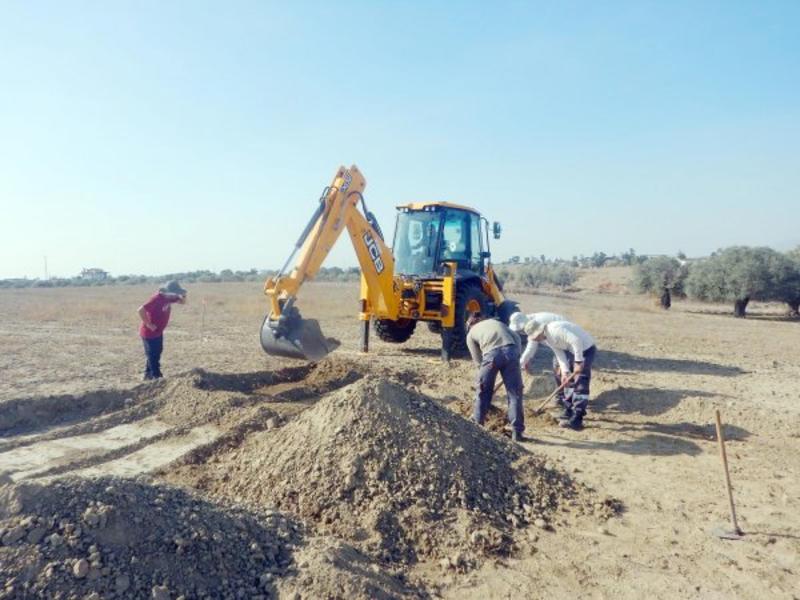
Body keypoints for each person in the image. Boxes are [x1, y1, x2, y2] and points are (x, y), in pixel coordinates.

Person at [524, 318, 597, 431]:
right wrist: (565, 372)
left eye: (536, 337)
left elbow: (576, 341)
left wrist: (578, 362)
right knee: (567, 381)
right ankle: (569, 409)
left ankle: (577, 418)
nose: (536, 340)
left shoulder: (555, 330)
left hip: (586, 349)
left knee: (580, 381)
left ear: (540, 331)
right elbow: (559, 354)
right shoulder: (546, 338)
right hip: (571, 351)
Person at [466, 313, 526, 442]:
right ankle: (517, 432)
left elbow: (477, 360)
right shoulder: (497, 323)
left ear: (470, 324)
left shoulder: (471, 334)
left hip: (491, 355)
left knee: (483, 392)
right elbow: (517, 337)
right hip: (511, 351)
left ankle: (477, 424)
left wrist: (484, 377)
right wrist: (516, 356)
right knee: (514, 394)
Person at [138, 280, 187, 380]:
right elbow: (140, 310)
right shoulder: (156, 298)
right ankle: (157, 377)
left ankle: (147, 375)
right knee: (153, 355)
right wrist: (148, 324)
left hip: (158, 331)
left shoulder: (170, 297)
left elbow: (182, 302)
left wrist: (183, 295)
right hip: (149, 332)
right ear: (167, 291)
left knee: (157, 352)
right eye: (175, 293)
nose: (175, 296)